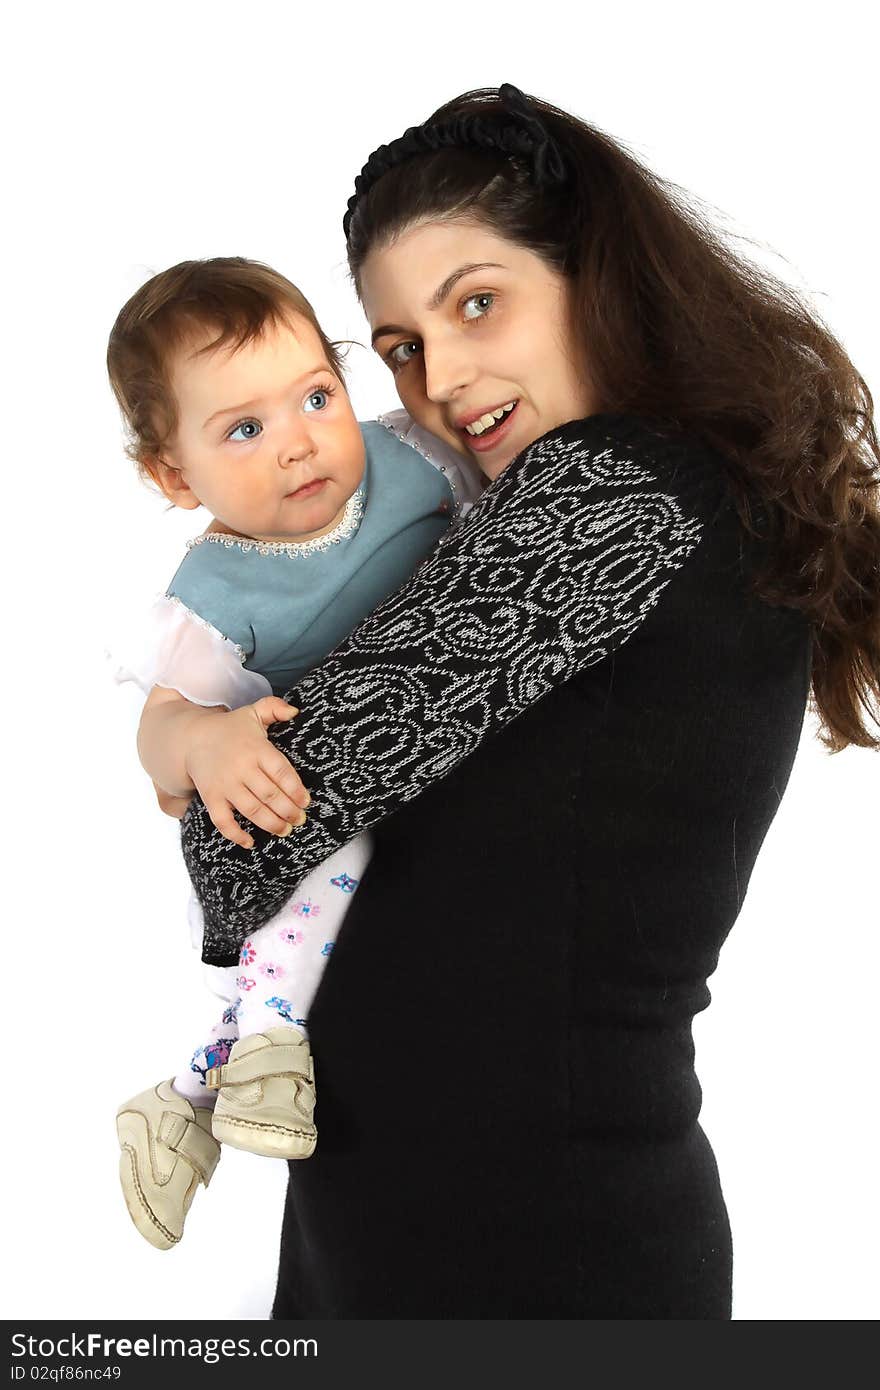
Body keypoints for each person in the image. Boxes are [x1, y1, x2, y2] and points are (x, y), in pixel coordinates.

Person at [176, 86, 880, 1317]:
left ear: (594, 276)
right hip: (426, 1224)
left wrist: (188, 738)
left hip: (529, 1251)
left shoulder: (616, 494)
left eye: (478, 303)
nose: (439, 378)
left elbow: (246, 832)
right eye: (398, 346)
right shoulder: (626, 497)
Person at [105, 256, 482, 1250]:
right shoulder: (212, 601)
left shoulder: (414, 460)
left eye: (315, 395)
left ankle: (183, 1100)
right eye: (244, 428)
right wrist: (204, 738)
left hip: (426, 774)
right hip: (287, 813)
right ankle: (267, 1050)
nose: (300, 443)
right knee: (330, 850)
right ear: (174, 474)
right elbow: (158, 734)